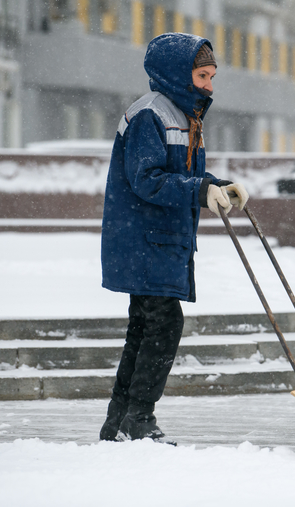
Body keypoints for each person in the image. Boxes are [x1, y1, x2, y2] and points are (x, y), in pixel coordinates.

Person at [98, 33, 249, 444]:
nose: (209, 86)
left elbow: (181, 176)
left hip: (160, 241)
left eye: (211, 77)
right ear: (178, 74)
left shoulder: (183, 115)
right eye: (202, 76)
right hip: (146, 240)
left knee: (145, 328)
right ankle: (138, 419)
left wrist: (218, 185)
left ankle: (120, 422)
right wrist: (200, 191)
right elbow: (147, 181)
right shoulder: (151, 114)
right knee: (162, 326)